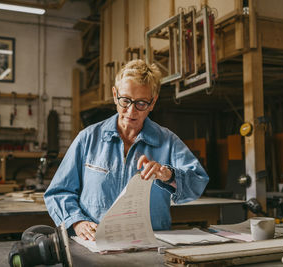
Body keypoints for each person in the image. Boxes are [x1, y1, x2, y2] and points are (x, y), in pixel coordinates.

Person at [44, 59, 209, 241]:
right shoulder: (88, 138)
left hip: (150, 244)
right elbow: (58, 192)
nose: (131, 111)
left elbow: (198, 181)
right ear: (115, 95)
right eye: (125, 101)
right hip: (95, 244)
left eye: (141, 103)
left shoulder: (167, 141)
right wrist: (76, 221)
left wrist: (168, 175)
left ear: (152, 102)